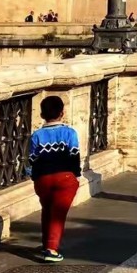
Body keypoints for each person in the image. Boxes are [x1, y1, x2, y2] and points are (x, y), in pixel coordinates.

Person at [26, 95, 81, 263]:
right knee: (58, 214)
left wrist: (34, 177)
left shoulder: (37, 135)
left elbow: (32, 159)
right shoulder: (69, 132)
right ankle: (51, 249)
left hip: (43, 178)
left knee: (47, 210)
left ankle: (45, 244)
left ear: (42, 115)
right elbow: (74, 155)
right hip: (64, 177)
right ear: (62, 113)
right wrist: (75, 175)